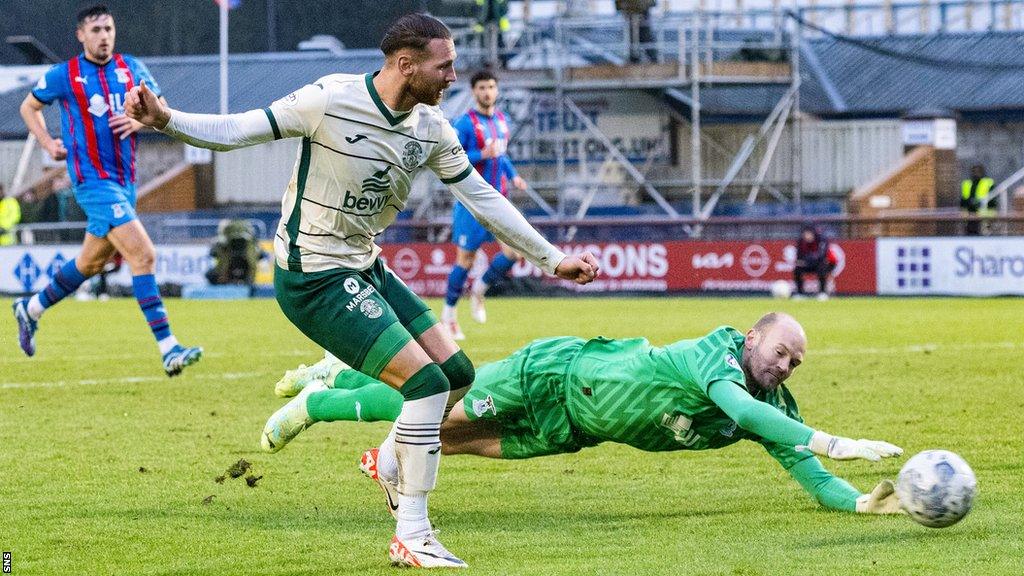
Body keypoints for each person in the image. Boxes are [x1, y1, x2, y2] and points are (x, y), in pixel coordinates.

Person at [125, 12, 599, 569]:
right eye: (444, 66)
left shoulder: (431, 128)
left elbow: (483, 198)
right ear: (405, 65)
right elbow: (237, 130)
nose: (453, 77)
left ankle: (393, 459)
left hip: (365, 266)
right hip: (312, 276)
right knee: (424, 384)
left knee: (458, 377)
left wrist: (553, 258)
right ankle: (412, 533)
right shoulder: (329, 100)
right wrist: (166, 119)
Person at [262, 313, 905, 521]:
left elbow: (806, 467)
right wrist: (833, 439)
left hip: (576, 428)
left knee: (452, 439)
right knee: (440, 400)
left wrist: (860, 505)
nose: (787, 365)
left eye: (796, 361)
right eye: (780, 351)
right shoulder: (718, 355)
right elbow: (735, 406)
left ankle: (382, 453)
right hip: (560, 373)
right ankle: (320, 397)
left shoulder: (774, 408)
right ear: (753, 340)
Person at [12, 4, 202, 376]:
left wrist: (141, 123)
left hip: (125, 182)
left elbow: (160, 110)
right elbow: (28, 107)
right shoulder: (65, 74)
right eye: (96, 30)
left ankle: (30, 308)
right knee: (143, 255)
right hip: (93, 182)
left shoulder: (131, 68)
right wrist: (48, 143)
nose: (104, 36)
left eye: (109, 29)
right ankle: (168, 349)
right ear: (81, 35)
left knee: (91, 263)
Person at [442, 69, 527, 339]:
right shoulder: (465, 123)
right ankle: (449, 317)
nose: (487, 92)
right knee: (464, 260)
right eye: (481, 87)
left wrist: (513, 176)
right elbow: (452, 156)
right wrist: (481, 153)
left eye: (491, 87)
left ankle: (479, 289)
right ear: (474, 92)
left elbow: (501, 156)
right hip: (471, 202)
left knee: (515, 252)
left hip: (499, 200)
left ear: (497, 90)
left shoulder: (502, 121)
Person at [792, 224, 835, 300]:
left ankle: (822, 292)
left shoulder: (822, 240)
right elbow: (799, 257)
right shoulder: (801, 242)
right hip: (807, 264)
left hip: (823, 264)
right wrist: (802, 262)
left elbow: (822, 256)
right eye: (805, 234)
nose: (807, 236)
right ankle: (800, 293)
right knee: (797, 269)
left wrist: (808, 260)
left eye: (809, 234)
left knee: (822, 267)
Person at [961, 164, 994, 236]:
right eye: (974, 171)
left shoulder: (988, 183)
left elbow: (992, 202)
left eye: (978, 171)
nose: (976, 173)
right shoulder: (967, 183)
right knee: (970, 234)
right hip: (969, 216)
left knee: (984, 235)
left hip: (984, 215)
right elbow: (963, 201)